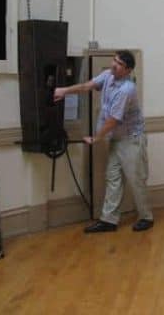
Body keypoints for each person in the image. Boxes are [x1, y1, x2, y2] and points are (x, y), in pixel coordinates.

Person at [53, 50, 154, 233]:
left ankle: (146, 217)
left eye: (119, 64)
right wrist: (64, 91)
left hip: (131, 140)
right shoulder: (108, 75)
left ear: (128, 70)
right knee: (112, 177)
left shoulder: (127, 89)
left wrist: (96, 138)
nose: (114, 65)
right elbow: (87, 86)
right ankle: (109, 220)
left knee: (136, 180)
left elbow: (113, 120)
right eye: (114, 60)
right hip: (116, 139)